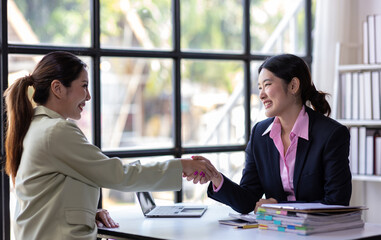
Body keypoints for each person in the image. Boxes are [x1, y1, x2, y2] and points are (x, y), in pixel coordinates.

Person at [4, 51, 218, 240]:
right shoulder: (55, 132)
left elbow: (50, 193)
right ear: (58, 88)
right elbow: (119, 175)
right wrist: (181, 166)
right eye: (84, 86)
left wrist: (88, 212)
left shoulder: (37, 126)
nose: (88, 96)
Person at [187, 54, 352, 214]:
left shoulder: (332, 134)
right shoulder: (260, 134)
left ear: (293, 86)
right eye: (259, 87)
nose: (261, 95)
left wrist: (280, 208)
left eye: (267, 85)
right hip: (277, 232)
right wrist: (215, 177)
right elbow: (248, 201)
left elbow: (337, 202)